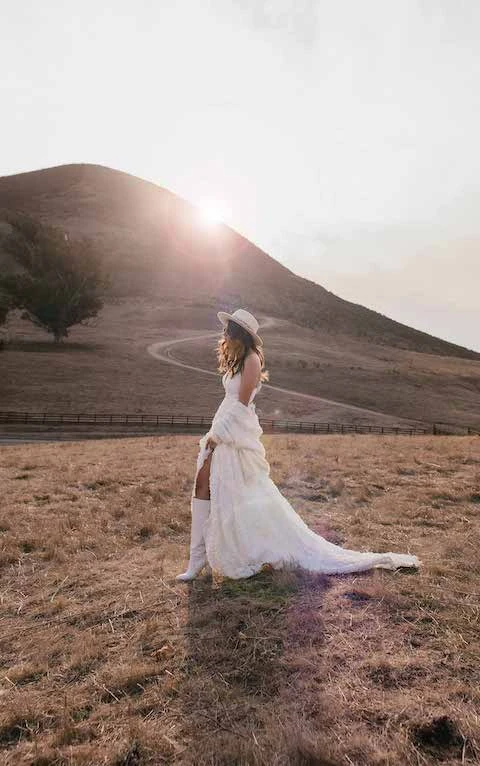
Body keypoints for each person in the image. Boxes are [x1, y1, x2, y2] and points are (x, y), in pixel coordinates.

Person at [175, 308, 420, 581]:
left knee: (223, 490)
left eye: (228, 329)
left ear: (238, 333)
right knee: (204, 486)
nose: (223, 334)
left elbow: (242, 405)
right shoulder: (238, 360)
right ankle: (196, 560)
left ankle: (213, 556)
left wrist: (218, 434)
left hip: (233, 433)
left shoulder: (252, 360)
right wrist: (215, 430)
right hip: (222, 427)